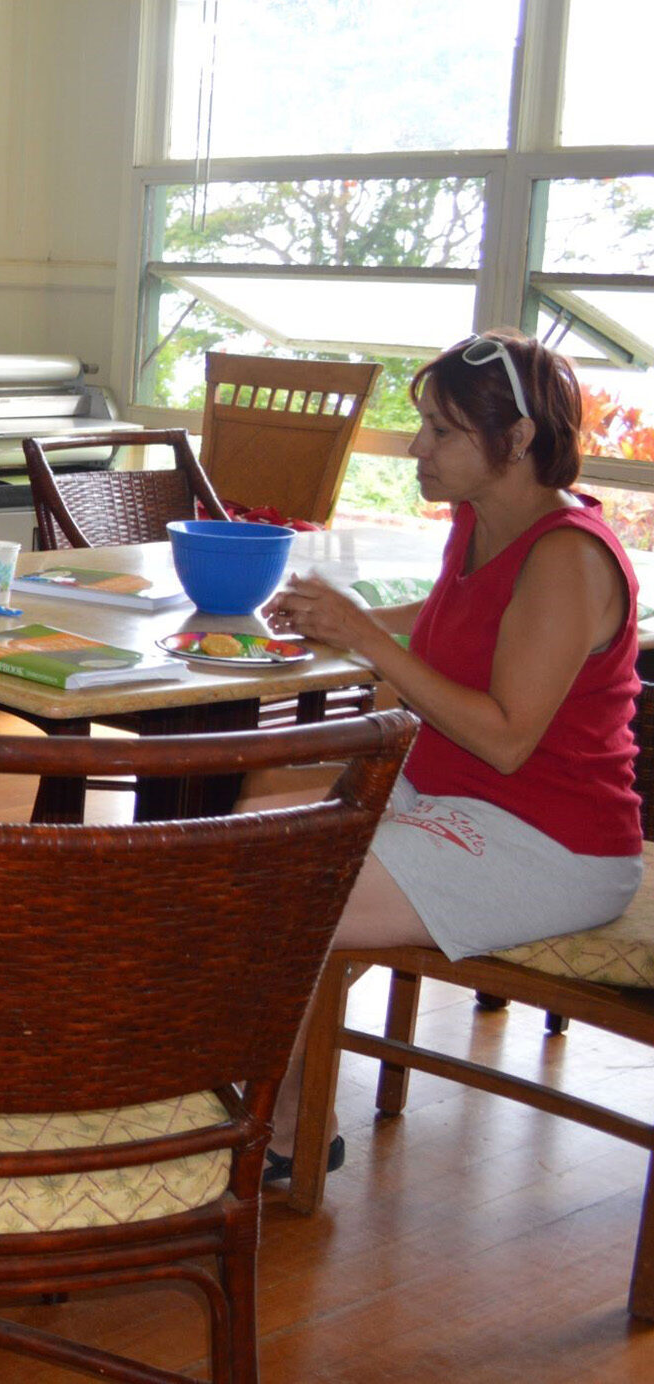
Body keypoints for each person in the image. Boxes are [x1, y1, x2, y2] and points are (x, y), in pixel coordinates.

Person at [264, 331, 642, 1176]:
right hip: (453, 802)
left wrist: (363, 636)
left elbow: (507, 738)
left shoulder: (568, 559)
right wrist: (339, 624)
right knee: (245, 835)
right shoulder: (478, 523)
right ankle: (266, 1104)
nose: (416, 448)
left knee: (283, 888)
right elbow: (448, 629)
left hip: (549, 841)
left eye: (442, 431)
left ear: (515, 442)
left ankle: (278, 1126)